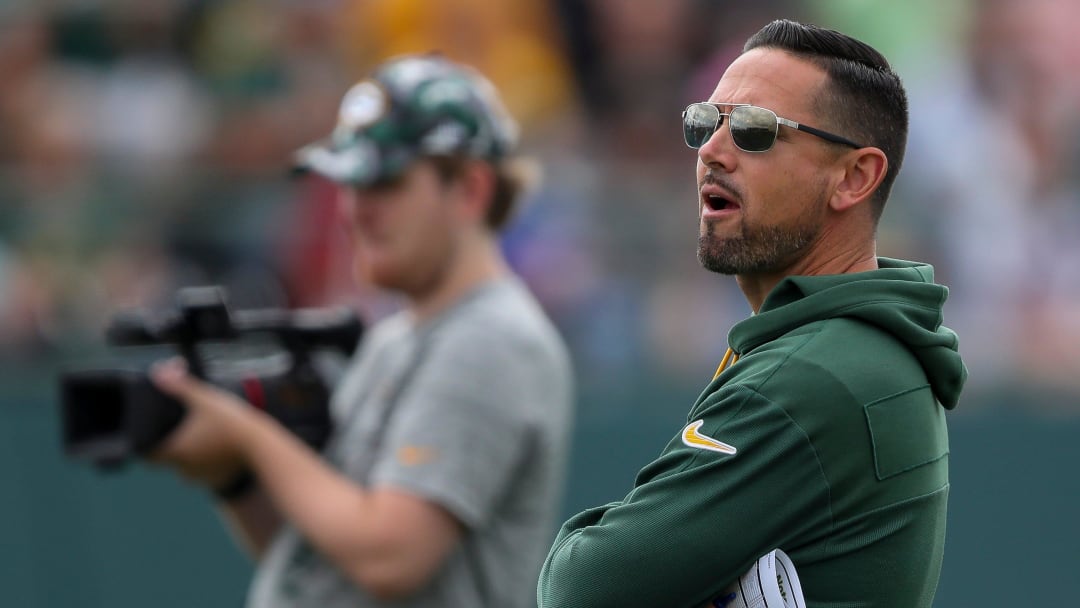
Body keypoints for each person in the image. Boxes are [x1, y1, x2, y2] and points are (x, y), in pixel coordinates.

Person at [537, 19, 967, 608]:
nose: (712, 151)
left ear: (854, 177)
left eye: (753, 131)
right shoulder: (858, 347)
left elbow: (582, 586)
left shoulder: (814, 376)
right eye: (704, 122)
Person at [150, 53, 574, 608]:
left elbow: (389, 557)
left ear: (470, 190)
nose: (353, 210)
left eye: (384, 182)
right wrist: (233, 475)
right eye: (348, 182)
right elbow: (318, 558)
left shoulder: (491, 338)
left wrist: (248, 435)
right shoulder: (396, 335)